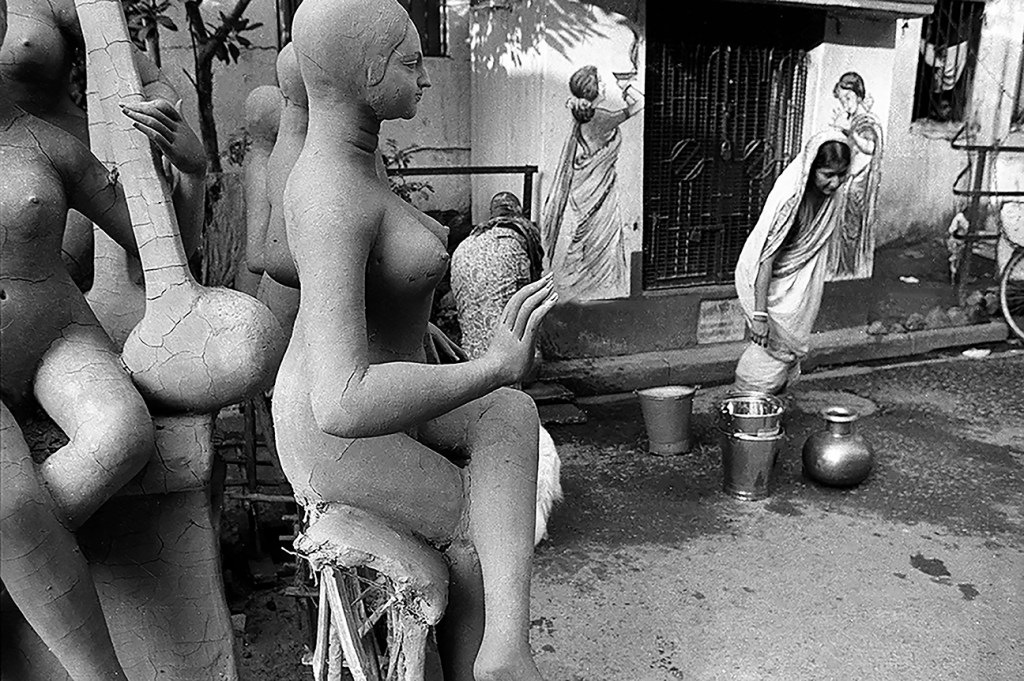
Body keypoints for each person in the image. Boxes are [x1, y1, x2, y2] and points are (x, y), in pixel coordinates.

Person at [272, 2, 556, 680]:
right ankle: (491, 665)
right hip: (336, 432)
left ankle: (503, 650)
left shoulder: (359, 160)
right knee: (474, 526)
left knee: (512, 415)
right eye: (411, 62)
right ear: (367, 73)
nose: (426, 78)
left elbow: (361, 285)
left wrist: (414, 321)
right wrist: (492, 366)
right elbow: (341, 401)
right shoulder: (329, 191)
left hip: (383, 391)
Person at [0, 1, 206, 676]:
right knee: (8, 501)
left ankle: (20, 567)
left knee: (122, 431)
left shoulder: (43, 143)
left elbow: (155, 244)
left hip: (58, 336)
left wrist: (189, 171)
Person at [450, 192, 562, 546]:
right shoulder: (519, 238)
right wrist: (532, 352)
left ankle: (480, 497)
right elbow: (529, 300)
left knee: (479, 405)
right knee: (509, 417)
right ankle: (511, 509)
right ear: (516, 214)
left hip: (471, 343)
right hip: (504, 339)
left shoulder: (468, 243)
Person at [733, 130, 852, 394]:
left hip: (793, 286)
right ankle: (748, 401)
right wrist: (760, 315)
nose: (835, 183)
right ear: (811, 168)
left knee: (782, 357)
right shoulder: (791, 201)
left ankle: (764, 405)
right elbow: (766, 260)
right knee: (771, 352)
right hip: (769, 283)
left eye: (841, 174)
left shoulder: (831, 199)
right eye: (828, 174)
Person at [541, 63, 643, 301]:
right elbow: (640, 104)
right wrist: (626, 86)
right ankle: (597, 286)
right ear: (592, 89)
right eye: (600, 82)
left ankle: (581, 280)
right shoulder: (602, 118)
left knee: (586, 238)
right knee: (599, 239)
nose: (605, 85)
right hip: (599, 190)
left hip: (584, 189)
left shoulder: (583, 117)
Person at [829, 72, 883, 280]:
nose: (845, 104)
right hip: (848, 182)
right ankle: (841, 268)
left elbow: (870, 148)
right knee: (842, 228)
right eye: (842, 99)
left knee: (851, 229)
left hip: (858, 185)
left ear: (859, 97)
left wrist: (850, 132)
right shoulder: (852, 120)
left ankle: (849, 270)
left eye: (848, 98)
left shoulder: (866, 122)